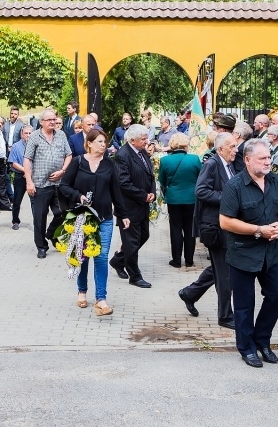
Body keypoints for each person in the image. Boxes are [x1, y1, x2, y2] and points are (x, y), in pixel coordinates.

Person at [220, 139, 278, 368]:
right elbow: (225, 222)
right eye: (262, 158)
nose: (268, 162)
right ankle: (247, 348)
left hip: (272, 253)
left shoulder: (275, 181)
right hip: (244, 254)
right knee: (244, 305)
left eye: (269, 157)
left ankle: (262, 340)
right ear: (248, 160)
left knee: (276, 296)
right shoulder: (235, 186)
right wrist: (259, 230)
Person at [59, 129, 130, 317]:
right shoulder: (77, 162)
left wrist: (123, 214)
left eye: (104, 142)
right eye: (99, 141)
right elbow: (64, 186)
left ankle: (101, 299)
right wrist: (78, 196)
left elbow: (116, 191)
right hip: (82, 217)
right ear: (89, 143)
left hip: (104, 218)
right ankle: (82, 291)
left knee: (101, 256)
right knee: (83, 255)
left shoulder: (109, 164)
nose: (103, 145)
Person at [179, 132, 237, 329]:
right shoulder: (212, 164)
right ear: (220, 149)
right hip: (215, 227)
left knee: (219, 268)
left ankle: (189, 293)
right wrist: (227, 198)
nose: (236, 150)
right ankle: (225, 316)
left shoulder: (230, 165)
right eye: (232, 147)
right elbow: (201, 191)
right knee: (225, 273)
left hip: (227, 225)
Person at [109, 124, 156, 288]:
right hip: (128, 207)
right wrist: (143, 195)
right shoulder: (123, 155)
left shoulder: (142, 152)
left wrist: (152, 192)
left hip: (142, 205)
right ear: (132, 140)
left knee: (143, 236)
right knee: (131, 242)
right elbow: (123, 183)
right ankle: (134, 276)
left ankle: (118, 260)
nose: (147, 141)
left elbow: (150, 175)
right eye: (143, 139)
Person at [24, 109, 72, 259]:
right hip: (40, 183)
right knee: (40, 216)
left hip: (59, 183)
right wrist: (29, 182)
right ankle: (41, 246)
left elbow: (69, 155)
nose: (52, 122)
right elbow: (27, 159)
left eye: (54, 119)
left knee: (62, 213)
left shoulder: (61, 135)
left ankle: (50, 233)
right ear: (41, 122)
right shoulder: (34, 136)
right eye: (49, 120)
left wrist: (62, 171)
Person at [159, 133, 202, 268]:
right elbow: (201, 178)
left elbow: (162, 180)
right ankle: (189, 260)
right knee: (190, 229)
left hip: (174, 199)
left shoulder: (165, 161)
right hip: (191, 198)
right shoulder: (194, 159)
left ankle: (176, 260)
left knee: (176, 229)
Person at [7, 125, 33, 230]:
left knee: (35, 202)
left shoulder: (37, 145)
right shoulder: (16, 146)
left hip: (33, 176)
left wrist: (30, 173)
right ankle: (15, 221)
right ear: (22, 134)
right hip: (20, 176)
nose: (28, 135)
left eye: (30, 133)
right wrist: (26, 171)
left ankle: (37, 222)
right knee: (17, 200)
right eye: (26, 133)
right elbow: (13, 163)